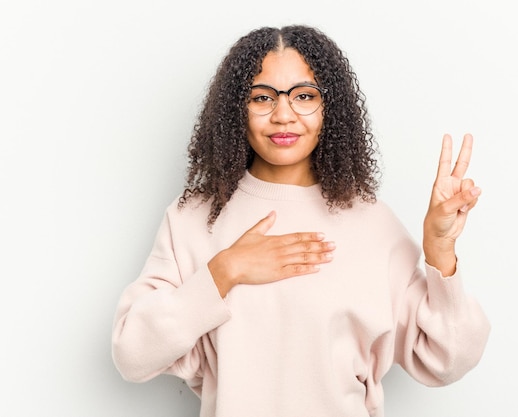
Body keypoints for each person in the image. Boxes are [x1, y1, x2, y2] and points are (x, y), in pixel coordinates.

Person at [111, 24, 491, 417]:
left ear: (331, 108)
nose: (283, 115)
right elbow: (132, 354)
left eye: (304, 96)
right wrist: (225, 270)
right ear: (235, 109)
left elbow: (450, 359)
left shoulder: (371, 222)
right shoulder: (194, 217)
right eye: (262, 97)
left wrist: (439, 250)